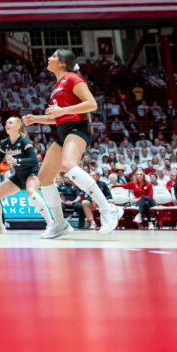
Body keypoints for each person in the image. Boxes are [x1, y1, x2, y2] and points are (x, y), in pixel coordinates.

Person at [25, 49, 121, 237]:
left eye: (52, 56)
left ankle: (108, 209)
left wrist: (62, 110)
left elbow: (92, 104)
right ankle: (60, 223)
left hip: (78, 128)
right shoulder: (57, 85)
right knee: (44, 177)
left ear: (61, 62)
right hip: (63, 132)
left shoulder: (72, 78)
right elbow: (59, 117)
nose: (48, 58)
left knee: (69, 165)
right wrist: (37, 118)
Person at [0, 117, 55, 235]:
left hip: (32, 174)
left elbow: (33, 160)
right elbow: (0, 158)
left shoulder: (25, 141)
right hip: (18, 176)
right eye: (6, 122)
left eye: (10, 122)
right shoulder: (5, 143)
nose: (7, 124)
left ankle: (51, 224)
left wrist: (16, 161)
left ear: (18, 126)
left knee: (31, 192)